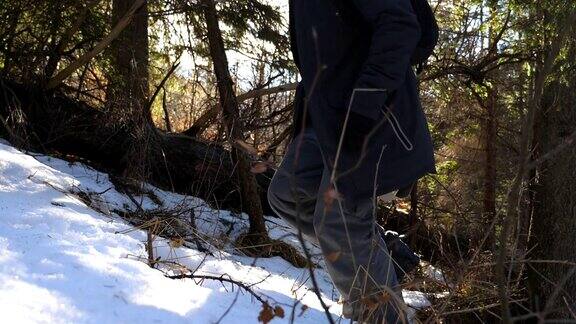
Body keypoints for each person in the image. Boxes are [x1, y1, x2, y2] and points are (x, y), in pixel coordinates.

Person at [267, 0, 436, 322]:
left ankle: (383, 317)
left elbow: (401, 25)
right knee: (288, 193)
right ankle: (383, 254)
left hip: (369, 119)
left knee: (339, 221)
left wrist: (366, 101)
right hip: (327, 121)